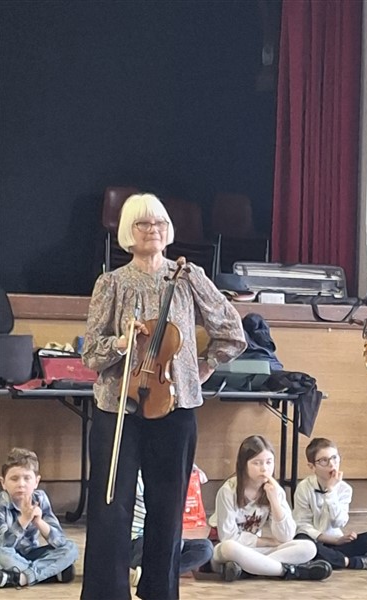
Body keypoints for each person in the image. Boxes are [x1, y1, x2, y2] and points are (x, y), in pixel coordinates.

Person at [80, 193, 246, 600]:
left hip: (175, 406)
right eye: (143, 223)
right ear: (128, 232)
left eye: (159, 223)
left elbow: (232, 330)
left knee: (168, 510)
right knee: (110, 507)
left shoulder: (188, 277)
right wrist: (121, 343)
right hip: (119, 405)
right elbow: (91, 354)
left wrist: (204, 366)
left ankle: (159, 593)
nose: (152, 230)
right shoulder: (112, 283)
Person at [209, 435, 332, 582]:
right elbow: (228, 537)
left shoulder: (274, 489)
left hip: (254, 551)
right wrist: (266, 542)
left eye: (269, 462)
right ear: (243, 465)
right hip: (227, 550)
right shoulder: (228, 491)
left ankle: (249, 570)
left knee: (308, 547)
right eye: (257, 463)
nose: (264, 468)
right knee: (229, 547)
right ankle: (291, 571)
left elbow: (286, 536)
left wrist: (274, 500)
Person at [293, 437, 367, 570]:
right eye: (324, 460)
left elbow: (339, 522)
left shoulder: (345, 489)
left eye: (334, 458)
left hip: (337, 542)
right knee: (302, 541)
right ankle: (350, 562)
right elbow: (302, 526)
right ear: (312, 466)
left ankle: (328, 559)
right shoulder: (304, 487)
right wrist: (333, 540)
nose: (332, 464)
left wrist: (331, 492)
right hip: (315, 541)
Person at [0, 447, 78, 588]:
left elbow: (59, 541)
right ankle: (48, 574)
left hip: (30, 554)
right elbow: (3, 545)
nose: (21, 484)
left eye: (27, 478)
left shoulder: (40, 499)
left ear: (36, 481)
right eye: (14, 479)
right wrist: (23, 520)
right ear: (3, 483)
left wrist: (39, 522)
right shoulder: (1, 504)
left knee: (71, 548)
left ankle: (19, 578)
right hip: (6, 556)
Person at [129, 470, 214, 586]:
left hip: (164, 538)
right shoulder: (137, 476)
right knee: (173, 544)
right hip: (139, 539)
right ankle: (155, 573)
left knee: (205, 548)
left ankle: (154, 575)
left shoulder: (167, 477)